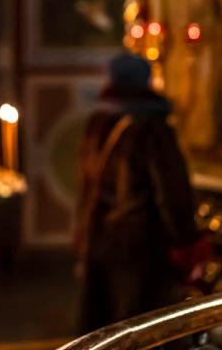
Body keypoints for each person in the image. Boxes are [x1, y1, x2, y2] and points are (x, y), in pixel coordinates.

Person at [74, 53, 197, 332]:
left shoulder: (97, 123)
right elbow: (171, 189)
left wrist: (82, 229)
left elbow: (86, 185)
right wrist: (185, 238)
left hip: (101, 238)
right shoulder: (153, 127)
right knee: (140, 326)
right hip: (142, 245)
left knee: (105, 327)